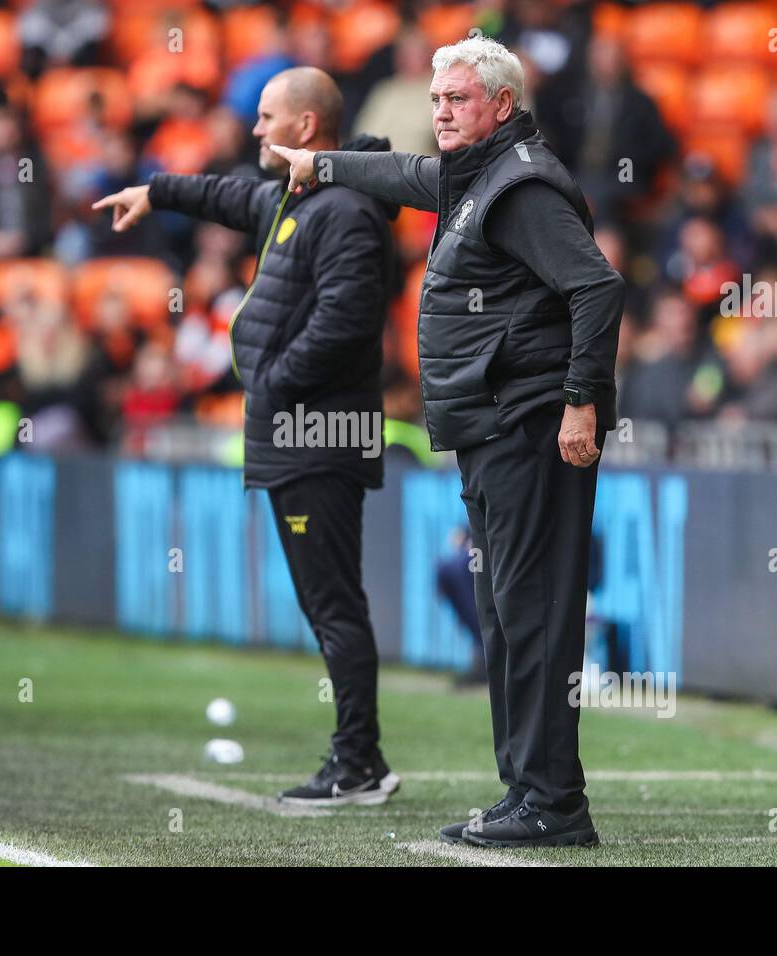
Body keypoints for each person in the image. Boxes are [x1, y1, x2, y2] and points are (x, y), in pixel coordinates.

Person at [273, 36, 624, 846]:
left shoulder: (522, 184)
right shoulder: (482, 174)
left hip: (529, 423)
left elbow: (596, 288)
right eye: (435, 101)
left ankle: (553, 804)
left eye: (457, 100)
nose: (440, 113)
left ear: (501, 104)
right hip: (494, 425)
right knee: (505, 614)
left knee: (530, 614)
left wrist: (582, 403)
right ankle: (526, 792)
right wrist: (322, 166)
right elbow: (405, 175)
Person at [94, 67, 401, 806]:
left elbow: (346, 323)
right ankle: (361, 759)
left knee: (333, 604)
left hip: (318, 432)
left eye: (267, 118)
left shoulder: (346, 210)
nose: (254, 130)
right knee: (327, 601)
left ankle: (358, 762)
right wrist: (157, 190)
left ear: (305, 128)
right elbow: (226, 195)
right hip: (298, 429)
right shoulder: (299, 197)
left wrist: (271, 382)